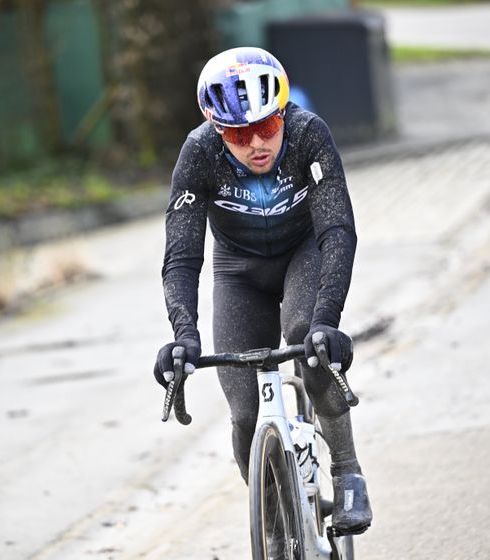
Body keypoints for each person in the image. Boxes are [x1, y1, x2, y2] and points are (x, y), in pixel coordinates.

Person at [153, 46, 372, 534]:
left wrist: (327, 321)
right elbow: (182, 254)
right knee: (245, 413)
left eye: (266, 127)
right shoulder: (199, 153)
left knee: (306, 338)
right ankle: (273, 521)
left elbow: (337, 229)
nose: (256, 143)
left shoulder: (307, 133)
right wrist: (184, 335)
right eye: (237, 133)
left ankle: (347, 469)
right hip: (239, 272)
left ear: (282, 115)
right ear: (217, 130)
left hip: (303, 254)